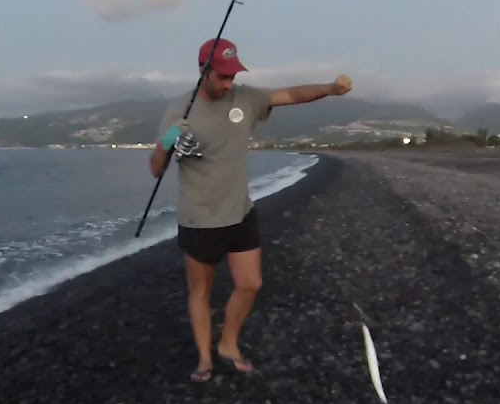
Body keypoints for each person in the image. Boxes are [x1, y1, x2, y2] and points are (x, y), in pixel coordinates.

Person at [150, 37, 353, 382]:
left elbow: (290, 95)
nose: (230, 83)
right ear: (203, 71)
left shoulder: (245, 98)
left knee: (251, 283)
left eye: (233, 75)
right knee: (200, 291)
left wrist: (331, 89)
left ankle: (228, 344)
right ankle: (204, 359)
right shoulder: (179, 110)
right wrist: (169, 141)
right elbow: (156, 169)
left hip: (240, 211)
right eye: (223, 76)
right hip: (199, 217)